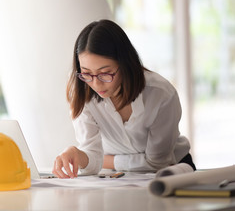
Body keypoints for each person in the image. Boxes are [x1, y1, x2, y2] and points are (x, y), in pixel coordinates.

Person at [52, 19, 196, 179]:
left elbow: (157, 163)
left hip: (173, 170)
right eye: (86, 73)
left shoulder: (160, 95)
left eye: (105, 73)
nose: (96, 83)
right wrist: (77, 154)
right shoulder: (81, 91)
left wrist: (106, 161)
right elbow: (92, 158)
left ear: (125, 64)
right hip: (118, 177)